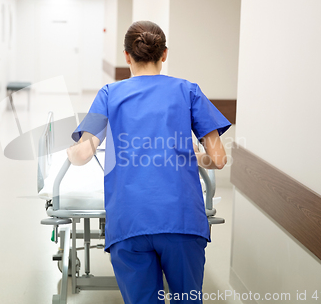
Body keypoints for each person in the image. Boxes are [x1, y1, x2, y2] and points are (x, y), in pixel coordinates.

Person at [66, 20, 231, 304]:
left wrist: (69, 151)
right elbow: (218, 159)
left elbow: (82, 155)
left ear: (127, 55)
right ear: (164, 54)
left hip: (130, 222)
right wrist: (196, 154)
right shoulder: (188, 91)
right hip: (181, 221)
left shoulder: (109, 94)